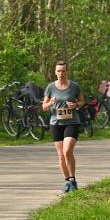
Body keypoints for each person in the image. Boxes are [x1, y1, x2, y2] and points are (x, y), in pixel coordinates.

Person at [42, 60, 85, 193]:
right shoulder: (50, 87)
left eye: (63, 71)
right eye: (59, 71)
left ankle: (73, 179)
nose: (61, 73)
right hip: (56, 123)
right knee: (61, 155)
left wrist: (76, 105)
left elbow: (82, 101)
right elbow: (44, 107)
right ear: (55, 73)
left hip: (72, 122)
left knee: (67, 151)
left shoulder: (74, 86)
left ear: (67, 72)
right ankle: (67, 181)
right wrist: (50, 103)